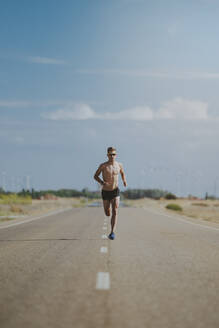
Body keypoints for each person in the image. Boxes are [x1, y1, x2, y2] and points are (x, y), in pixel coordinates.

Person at [94, 147, 127, 240]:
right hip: (105, 191)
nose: (112, 156)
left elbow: (122, 173)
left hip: (115, 190)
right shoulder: (103, 166)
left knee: (115, 210)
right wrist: (101, 182)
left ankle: (112, 232)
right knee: (107, 213)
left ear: (116, 155)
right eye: (110, 154)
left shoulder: (119, 165)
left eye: (114, 154)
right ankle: (107, 210)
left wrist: (124, 180)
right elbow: (95, 176)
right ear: (107, 155)